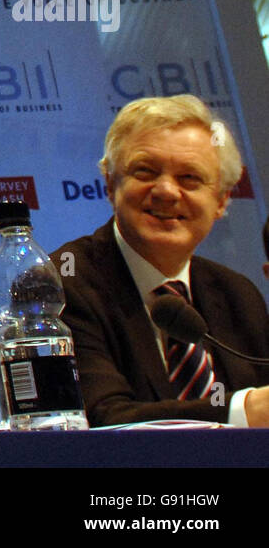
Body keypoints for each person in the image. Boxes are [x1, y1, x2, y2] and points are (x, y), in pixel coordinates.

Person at [53, 94, 269, 427]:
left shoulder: (238, 294)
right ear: (110, 183)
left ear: (222, 200)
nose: (167, 191)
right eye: (145, 171)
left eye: (190, 178)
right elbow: (101, 420)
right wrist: (245, 411)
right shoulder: (60, 284)